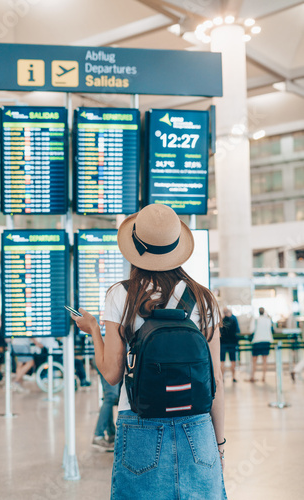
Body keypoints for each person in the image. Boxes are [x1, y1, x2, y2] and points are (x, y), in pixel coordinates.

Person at [72, 204, 227, 499]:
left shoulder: (122, 294)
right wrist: (218, 444)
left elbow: (112, 373)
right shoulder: (204, 298)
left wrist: (93, 328)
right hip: (198, 425)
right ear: (176, 246)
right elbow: (216, 379)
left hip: (139, 421)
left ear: (135, 249)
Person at [250, 307, 274, 383]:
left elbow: (251, 330)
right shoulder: (268, 319)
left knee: (254, 360)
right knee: (265, 360)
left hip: (257, 341)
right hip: (267, 341)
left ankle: (253, 376)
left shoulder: (256, 320)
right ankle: (264, 376)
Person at [220, 307, 240, 382]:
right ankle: (233, 377)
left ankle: (222, 377)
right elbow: (237, 330)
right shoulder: (234, 320)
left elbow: (219, 332)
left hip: (223, 343)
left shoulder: (222, 320)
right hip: (232, 343)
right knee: (233, 360)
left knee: (222, 361)